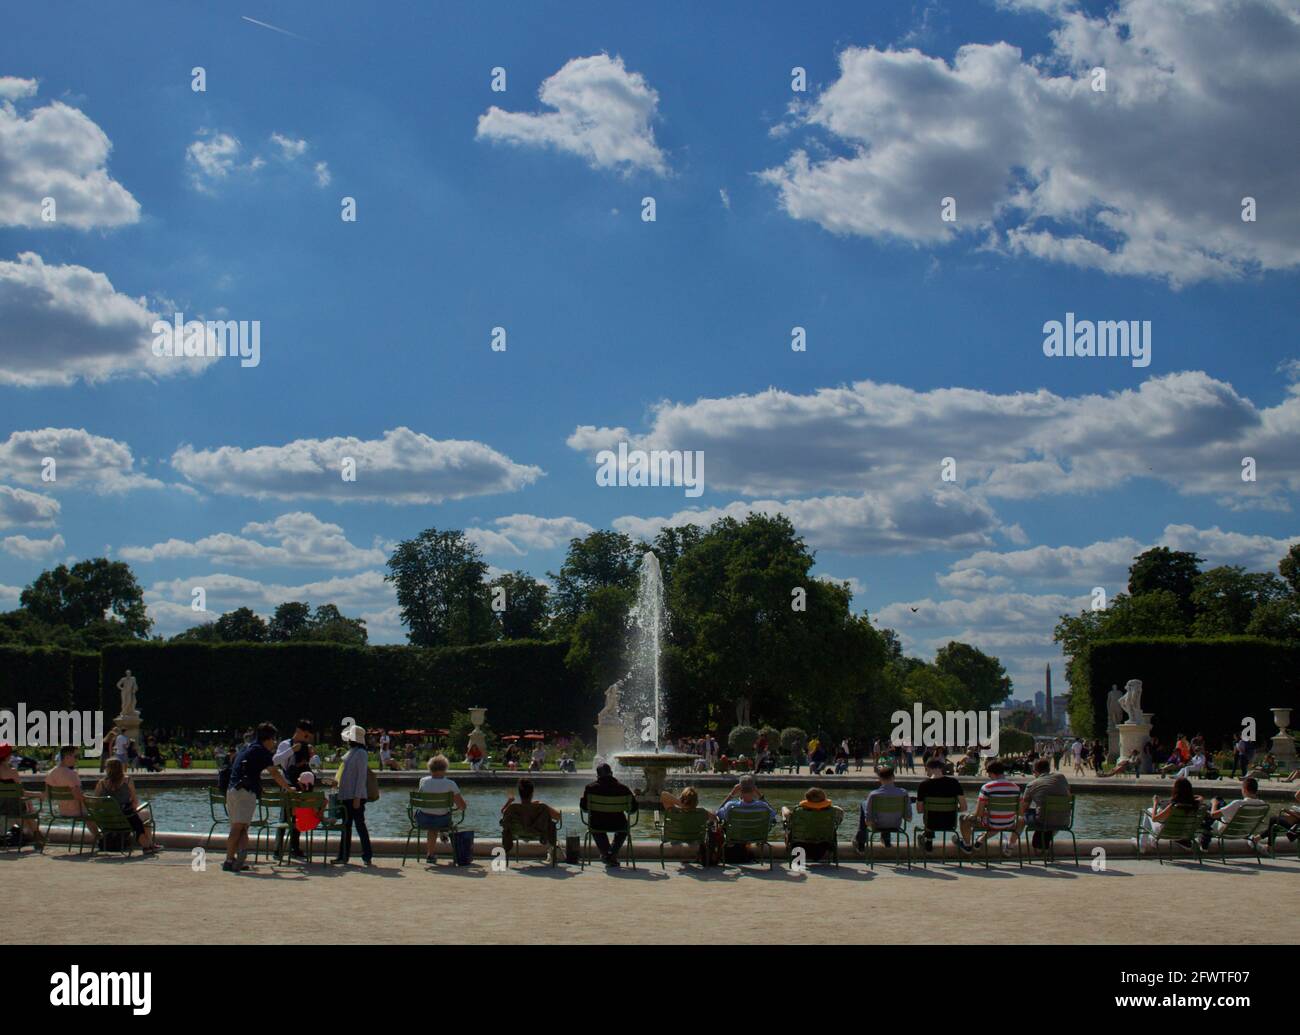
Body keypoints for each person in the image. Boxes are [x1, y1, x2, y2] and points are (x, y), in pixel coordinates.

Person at [224, 722, 292, 873]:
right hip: (245, 793)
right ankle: (229, 860)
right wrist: (288, 788)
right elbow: (274, 773)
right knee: (238, 827)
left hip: (233, 790)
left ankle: (239, 857)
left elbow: (244, 769)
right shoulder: (261, 751)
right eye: (274, 740)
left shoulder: (247, 747)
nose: (274, 743)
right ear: (267, 739)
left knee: (241, 827)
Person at [92, 758, 159, 852]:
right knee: (146, 814)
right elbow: (135, 801)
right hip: (125, 818)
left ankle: (149, 844)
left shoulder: (101, 783)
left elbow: (95, 803)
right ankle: (149, 844)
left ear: (108, 769)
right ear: (120, 768)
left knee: (136, 816)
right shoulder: (127, 780)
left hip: (108, 820)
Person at [272, 719, 316, 859]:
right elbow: (275, 761)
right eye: (305, 735)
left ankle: (294, 848)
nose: (307, 738)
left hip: (301, 785)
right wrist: (292, 750)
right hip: (287, 784)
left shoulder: (305, 746)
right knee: (284, 817)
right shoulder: (285, 744)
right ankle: (278, 850)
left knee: (298, 817)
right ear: (299, 731)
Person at [960, 759, 1022, 855]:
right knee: (1021, 820)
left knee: (964, 819)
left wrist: (975, 813)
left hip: (991, 823)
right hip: (1009, 823)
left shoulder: (987, 787)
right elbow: (1021, 811)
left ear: (992, 773)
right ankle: (1008, 848)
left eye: (988, 774)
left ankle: (967, 845)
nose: (988, 776)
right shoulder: (1016, 788)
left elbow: (979, 814)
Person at [580, 762, 636, 868]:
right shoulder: (623, 788)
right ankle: (611, 854)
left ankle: (607, 854)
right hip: (619, 824)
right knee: (624, 828)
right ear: (612, 773)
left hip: (597, 824)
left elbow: (584, 808)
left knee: (594, 825)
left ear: (597, 776)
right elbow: (632, 810)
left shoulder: (590, 788)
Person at [334, 724, 374, 866]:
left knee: (359, 826)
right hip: (347, 795)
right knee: (346, 826)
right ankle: (343, 856)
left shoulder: (361, 753)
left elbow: (361, 776)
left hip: (355, 796)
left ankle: (367, 855)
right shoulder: (352, 752)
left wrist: (357, 797)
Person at [714, 774, 778, 863]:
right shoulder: (763, 806)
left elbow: (717, 813)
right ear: (754, 789)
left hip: (735, 837)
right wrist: (760, 795)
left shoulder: (731, 806)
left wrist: (731, 794)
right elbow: (774, 814)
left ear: (739, 789)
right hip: (756, 836)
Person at [416, 754, 467, 863]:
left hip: (423, 819)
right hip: (442, 819)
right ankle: (455, 849)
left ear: (430, 768)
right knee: (446, 819)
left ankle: (430, 855)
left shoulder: (423, 781)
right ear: (445, 768)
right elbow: (462, 806)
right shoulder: (450, 784)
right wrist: (460, 806)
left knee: (431, 823)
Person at [44, 744, 97, 844]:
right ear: (67, 757)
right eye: (75, 756)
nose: (77, 759)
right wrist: (92, 798)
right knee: (98, 809)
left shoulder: (50, 773)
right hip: (77, 811)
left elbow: (47, 794)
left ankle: (101, 838)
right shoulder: (71, 774)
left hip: (62, 810)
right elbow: (78, 797)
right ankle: (101, 838)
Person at [501, 778, 562, 863]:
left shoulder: (513, 808)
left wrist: (509, 801)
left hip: (518, 833)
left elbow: (504, 813)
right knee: (552, 826)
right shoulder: (541, 807)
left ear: (519, 793)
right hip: (540, 833)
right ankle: (553, 851)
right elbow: (558, 817)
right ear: (532, 793)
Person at [915, 756, 968, 852]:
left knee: (929, 815)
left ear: (928, 768)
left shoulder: (923, 785)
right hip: (950, 823)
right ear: (942, 768)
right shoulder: (954, 783)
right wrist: (953, 809)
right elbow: (964, 807)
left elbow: (919, 810)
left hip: (930, 824)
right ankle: (928, 839)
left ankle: (928, 839)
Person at [853, 765, 911, 852]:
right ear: (893, 777)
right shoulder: (903, 793)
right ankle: (886, 839)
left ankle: (861, 841)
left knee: (863, 803)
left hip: (878, 825)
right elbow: (909, 817)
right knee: (887, 812)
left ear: (879, 779)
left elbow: (868, 820)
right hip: (896, 825)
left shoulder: (873, 795)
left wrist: (868, 821)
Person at [1138, 777, 1201, 852]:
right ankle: (1152, 841)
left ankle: (1142, 845)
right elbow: (1200, 797)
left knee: (1149, 810)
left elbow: (1154, 818)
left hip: (1167, 832)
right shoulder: (1195, 804)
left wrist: (1155, 803)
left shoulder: (1174, 806)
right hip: (1184, 833)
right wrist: (1189, 796)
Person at [1199, 776, 1263, 850]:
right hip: (1245, 831)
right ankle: (1204, 843)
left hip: (1227, 831)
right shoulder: (1262, 804)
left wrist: (1214, 803)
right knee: (1221, 803)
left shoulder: (1238, 803)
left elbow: (1213, 815)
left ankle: (1204, 843)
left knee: (1209, 812)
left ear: (1244, 790)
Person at [0, 742, 45, 846]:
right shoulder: (12, 772)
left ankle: (37, 837)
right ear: (8, 756)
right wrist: (38, 794)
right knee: (25, 811)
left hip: (1, 807)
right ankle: (38, 837)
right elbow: (21, 792)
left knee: (24, 809)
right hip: (14, 808)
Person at [1021, 757, 1070, 850]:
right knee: (1047, 812)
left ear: (1035, 771)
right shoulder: (1061, 777)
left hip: (1043, 821)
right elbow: (1068, 794)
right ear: (1049, 769)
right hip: (1065, 820)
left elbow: (1023, 809)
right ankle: (1045, 840)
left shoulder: (1031, 784)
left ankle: (1011, 846)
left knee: (1027, 814)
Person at [781, 787, 840, 862]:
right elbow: (840, 813)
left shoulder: (799, 811)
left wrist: (784, 808)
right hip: (824, 844)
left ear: (807, 799)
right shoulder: (832, 811)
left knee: (787, 824)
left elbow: (787, 814)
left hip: (800, 844)